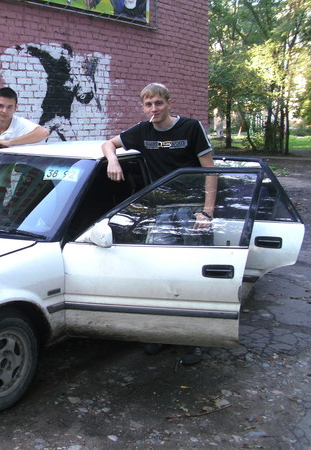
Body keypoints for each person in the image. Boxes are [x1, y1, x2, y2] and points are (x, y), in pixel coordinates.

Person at [101, 82, 217, 365]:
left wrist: (207, 212)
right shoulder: (142, 131)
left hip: (191, 212)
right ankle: (164, 333)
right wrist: (112, 160)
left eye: (159, 103)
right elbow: (108, 144)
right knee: (162, 276)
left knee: (193, 277)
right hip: (161, 213)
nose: (154, 109)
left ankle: (195, 341)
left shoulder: (191, 128)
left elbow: (210, 171)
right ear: (143, 107)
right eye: (148, 104)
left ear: (169, 103)